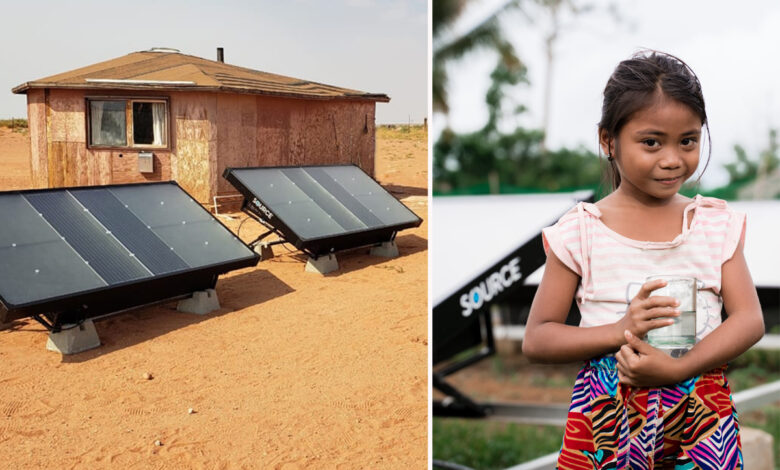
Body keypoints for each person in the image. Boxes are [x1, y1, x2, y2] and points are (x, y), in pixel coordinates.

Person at [522, 50, 764, 469]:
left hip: (702, 416)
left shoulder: (713, 225)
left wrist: (679, 368)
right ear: (607, 140)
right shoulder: (581, 231)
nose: (673, 159)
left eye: (687, 140)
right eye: (651, 142)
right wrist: (620, 329)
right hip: (606, 418)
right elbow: (538, 337)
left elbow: (749, 320)